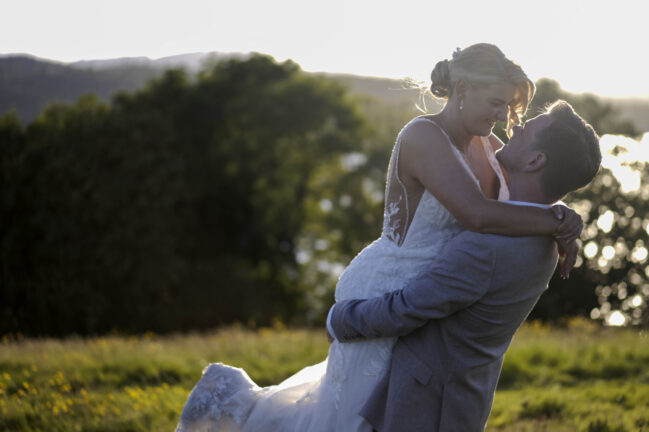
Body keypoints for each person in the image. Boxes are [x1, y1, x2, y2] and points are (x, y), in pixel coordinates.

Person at [176, 44, 582, 431]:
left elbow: (515, 205)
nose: (504, 115)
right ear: (463, 90)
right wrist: (556, 221)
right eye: (497, 102)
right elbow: (477, 214)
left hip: (431, 295)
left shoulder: (489, 144)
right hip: (389, 285)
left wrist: (560, 225)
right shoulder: (423, 137)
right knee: (351, 419)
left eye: (508, 105)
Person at [327, 100, 602, 432]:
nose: (514, 126)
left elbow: (405, 309)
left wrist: (339, 318)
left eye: (526, 130)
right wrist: (560, 215)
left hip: (425, 406)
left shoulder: (487, 246)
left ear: (535, 160)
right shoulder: (546, 239)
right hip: (465, 399)